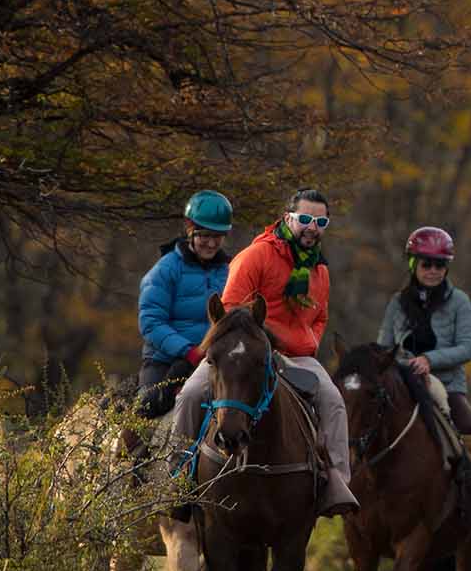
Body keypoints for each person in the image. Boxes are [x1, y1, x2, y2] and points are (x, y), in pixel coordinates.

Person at [171, 187, 358, 516]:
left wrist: (308, 342)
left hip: (297, 356)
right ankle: (178, 478)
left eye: (320, 221)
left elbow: (320, 317)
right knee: (190, 394)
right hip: (247, 352)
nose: (312, 227)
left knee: (333, 401)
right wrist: (265, 343)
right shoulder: (256, 256)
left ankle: (336, 483)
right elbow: (229, 309)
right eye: (304, 219)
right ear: (288, 218)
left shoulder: (320, 271)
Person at [376, 226, 471, 525]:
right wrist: (399, 363)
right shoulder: (397, 303)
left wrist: (430, 361)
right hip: (403, 382)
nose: (433, 271)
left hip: (446, 385)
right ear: (413, 264)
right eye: (426, 264)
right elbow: (383, 346)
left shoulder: (460, 301)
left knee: (469, 424)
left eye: (440, 265)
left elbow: (467, 347)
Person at [136, 190, 233, 418]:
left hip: (214, 358)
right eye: (204, 235)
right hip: (165, 360)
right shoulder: (165, 269)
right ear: (190, 230)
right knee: (147, 409)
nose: (210, 243)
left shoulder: (231, 270)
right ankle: (127, 454)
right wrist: (188, 351)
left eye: (217, 237)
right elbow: (151, 322)